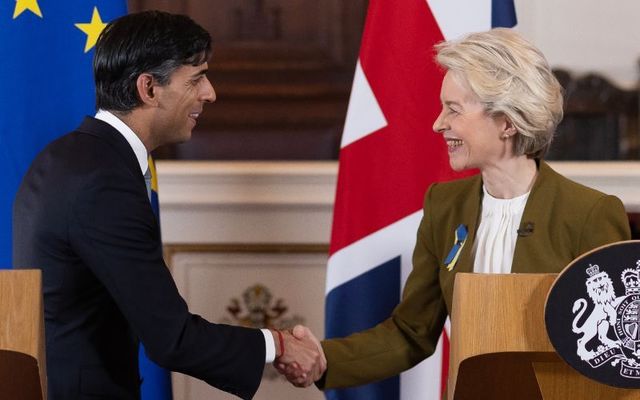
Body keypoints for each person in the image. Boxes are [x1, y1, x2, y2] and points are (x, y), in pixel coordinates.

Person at [278, 28, 631, 389]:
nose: (438, 123)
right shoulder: (444, 206)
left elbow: (620, 351)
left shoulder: (589, 213)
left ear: (507, 121)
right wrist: (324, 359)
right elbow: (411, 332)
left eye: (454, 109)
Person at [12, 11, 323, 400]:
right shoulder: (103, 181)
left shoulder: (68, 157)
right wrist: (278, 344)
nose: (210, 93)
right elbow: (172, 338)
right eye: (196, 79)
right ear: (149, 89)